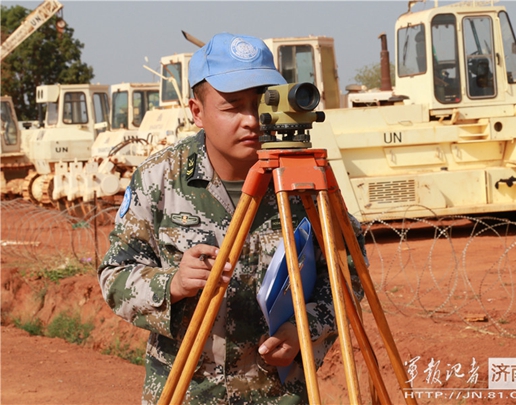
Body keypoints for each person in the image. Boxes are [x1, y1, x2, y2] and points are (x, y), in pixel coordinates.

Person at [98, 32, 367, 405]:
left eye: (261, 103)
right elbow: (115, 276)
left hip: (280, 395)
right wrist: (172, 284)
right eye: (232, 107)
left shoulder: (302, 179)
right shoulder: (159, 179)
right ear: (197, 111)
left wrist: (305, 328)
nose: (251, 120)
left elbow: (349, 273)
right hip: (187, 393)